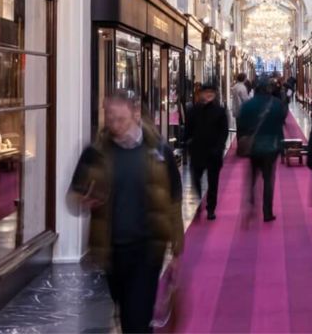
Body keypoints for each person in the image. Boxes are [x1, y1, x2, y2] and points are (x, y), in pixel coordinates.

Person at [69, 90, 184, 333]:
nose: (115, 125)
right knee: (125, 307)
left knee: (136, 317)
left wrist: (176, 250)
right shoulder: (96, 153)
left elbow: (173, 198)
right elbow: (75, 193)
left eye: (120, 119)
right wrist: (82, 200)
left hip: (148, 248)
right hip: (112, 250)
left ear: (135, 113)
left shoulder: (160, 151)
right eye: (110, 118)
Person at [236, 76, 287, 222]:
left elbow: (242, 124)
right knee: (268, 180)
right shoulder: (276, 104)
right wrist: (281, 146)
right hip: (271, 146)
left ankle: (251, 201)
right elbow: (280, 123)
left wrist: (243, 140)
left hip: (254, 147)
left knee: (252, 176)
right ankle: (267, 212)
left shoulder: (248, 105)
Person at [184, 83, 229, 220]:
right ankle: (198, 200)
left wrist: (219, 148)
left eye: (211, 92)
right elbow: (188, 129)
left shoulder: (220, 111)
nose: (209, 94)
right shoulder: (193, 110)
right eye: (206, 92)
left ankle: (211, 208)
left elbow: (224, 132)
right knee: (195, 178)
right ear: (201, 93)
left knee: (213, 182)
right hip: (197, 150)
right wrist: (188, 143)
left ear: (215, 94)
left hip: (214, 152)